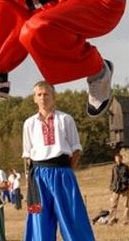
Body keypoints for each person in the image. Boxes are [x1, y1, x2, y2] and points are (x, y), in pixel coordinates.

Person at [23, 80, 95, 241]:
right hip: (38, 176)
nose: (43, 98)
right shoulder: (29, 124)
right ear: (34, 98)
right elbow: (27, 155)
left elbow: (76, 149)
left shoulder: (65, 119)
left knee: (72, 218)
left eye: (46, 94)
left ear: (53, 96)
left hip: (62, 173)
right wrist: (29, 180)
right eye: (39, 94)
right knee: (39, 221)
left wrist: (67, 171)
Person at [108, 153, 129, 225]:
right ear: (115, 160)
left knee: (125, 205)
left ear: (121, 159)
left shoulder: (126, 167)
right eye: (116, 159)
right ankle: (111, 220)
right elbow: (113, 178)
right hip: (116, 188)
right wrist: (111, 186)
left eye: (119, 159)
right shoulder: (114, 168)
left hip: (124, 188)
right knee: (113, 205)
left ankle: (125, 221)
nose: (117, 160)